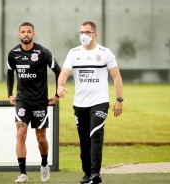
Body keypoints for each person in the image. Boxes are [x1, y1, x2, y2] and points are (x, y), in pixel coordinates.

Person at [57, 21, 123, 184]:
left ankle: (95, 173)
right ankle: (87, 174)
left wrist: (119, 99)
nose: (84, 35)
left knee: (96, 135)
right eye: (81, 32)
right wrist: (60, 86)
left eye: (87, 32)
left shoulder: (105, 53)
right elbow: (64, 73)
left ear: (95, 34)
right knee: (84, 139)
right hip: (80, 104)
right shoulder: (73, 53)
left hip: (99, 102)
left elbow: (116, 76)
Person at [6, 22, 61, 183]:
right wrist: (10, 94)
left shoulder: (43, 52)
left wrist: (57, 94)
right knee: (20, 134)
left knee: (41, 139)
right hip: (22, 101)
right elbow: (10, 74)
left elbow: (59, 71)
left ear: (33, 34)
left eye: (29, 32)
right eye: (23, 32)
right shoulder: (13, 54)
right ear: (19, 34)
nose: (26, 34)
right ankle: (22, 174)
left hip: (39, 102)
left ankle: (44, 165)